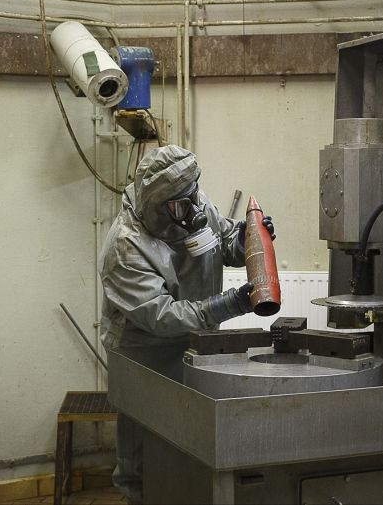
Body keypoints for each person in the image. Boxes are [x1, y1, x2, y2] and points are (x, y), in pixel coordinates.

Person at [98, 145, 275, 503]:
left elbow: (221, 242)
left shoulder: (188, 201)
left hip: (194, 343)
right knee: (142, 444)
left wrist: (245, 240)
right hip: (143, 353)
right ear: (156, 206)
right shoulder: (125, 246)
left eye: (194, 195)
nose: (194, 210)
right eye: (181, 204)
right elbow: (161, 316)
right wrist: (231, 304)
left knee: (190, 434)